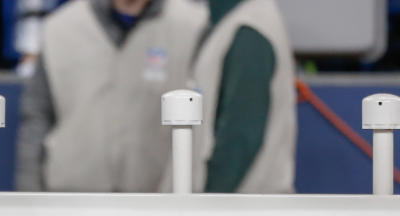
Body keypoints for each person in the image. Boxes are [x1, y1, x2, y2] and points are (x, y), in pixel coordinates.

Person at [16, 0, 207, 192]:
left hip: (155, 201)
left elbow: (208, 124)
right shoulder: (60, 28)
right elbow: (37, 117)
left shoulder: (193, 26)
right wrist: (28, 197)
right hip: (72, 198)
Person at [190, 0, 296, 192]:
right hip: (237, 210)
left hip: (247, 211)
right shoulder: (227, 21)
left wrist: (207, 208)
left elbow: (240, 136)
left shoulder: (250, 30)